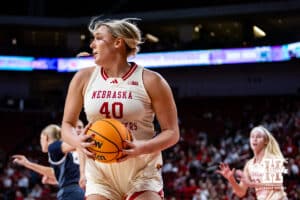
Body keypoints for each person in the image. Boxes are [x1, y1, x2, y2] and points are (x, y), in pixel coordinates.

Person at [61, 18, 180, 200]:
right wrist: (77, 141)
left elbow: (172, 132)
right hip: (100, 172)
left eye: (99, 38)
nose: (92, 44)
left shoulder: (151, 80)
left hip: (142, 170)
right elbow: (67, 125)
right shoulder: (83, 78)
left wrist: (143, 147)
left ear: (118, 42)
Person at [12, 123, 85, 200]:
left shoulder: (53, 147)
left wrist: (27, 164)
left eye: (40, 138)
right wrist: (56, 180)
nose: (40, 142)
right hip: (75, 191)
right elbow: (62, 174)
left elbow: (77, 144)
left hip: (70, 192)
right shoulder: (61, 152)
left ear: (46, 137)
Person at [217, 125, 287, 200]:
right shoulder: (249, 165)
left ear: (266, 141)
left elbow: (276, 185)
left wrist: (251, 184)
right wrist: (231, 179)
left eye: (258, 136)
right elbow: (241, 192)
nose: (255, 139)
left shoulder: (272, 158)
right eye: (252, 137)